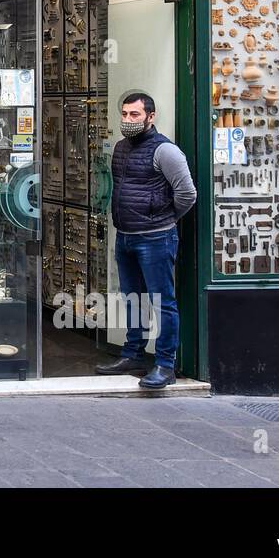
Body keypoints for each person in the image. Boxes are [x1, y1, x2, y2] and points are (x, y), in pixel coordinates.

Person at [95, 92, 197, 389]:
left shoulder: (166, 151)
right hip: (125, 235)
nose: (128, 120)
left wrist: (163, 218)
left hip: (156, 237)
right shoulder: (120, 148)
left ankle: (165, 365)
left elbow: (187, 194)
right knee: (133, 299)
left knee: (162, 301)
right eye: (124, 114)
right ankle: (134, 354)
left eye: (135, 115)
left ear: (151, 117)